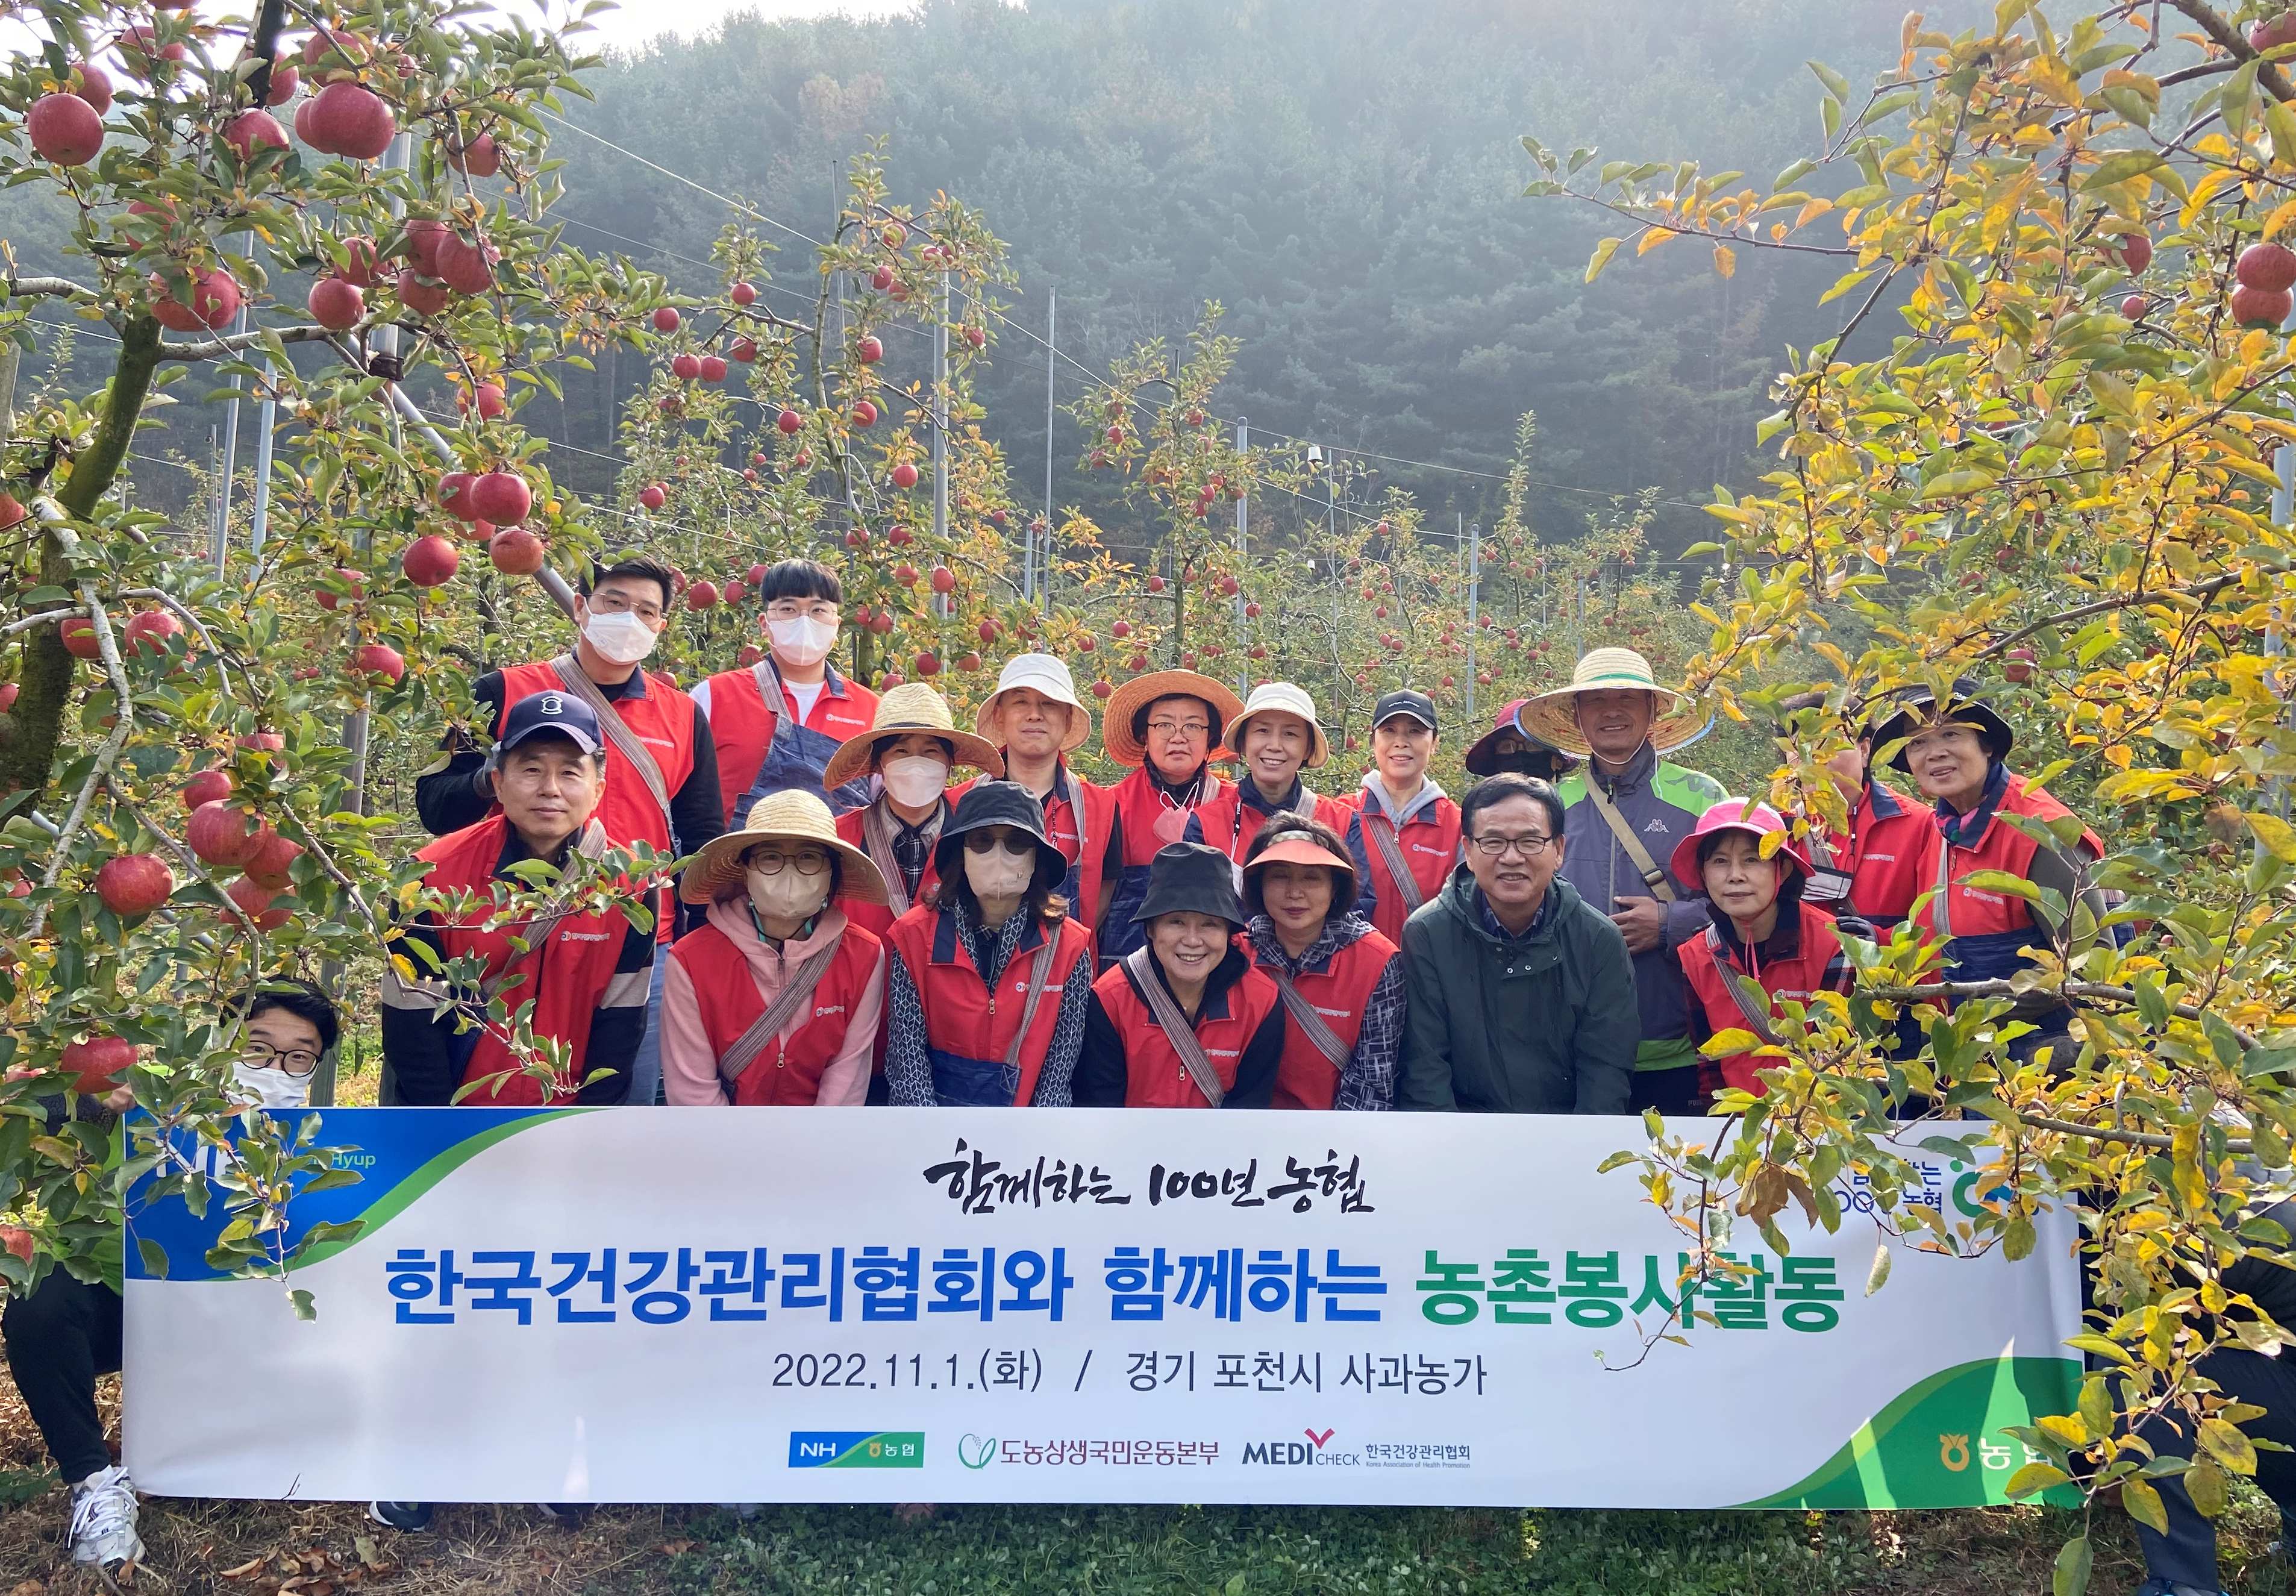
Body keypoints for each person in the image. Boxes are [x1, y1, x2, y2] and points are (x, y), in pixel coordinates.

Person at [5, 980, 337, 1573]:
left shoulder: (319, 1144)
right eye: (256, 1047)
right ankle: (93, 1484)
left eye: (297, 1056)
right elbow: (26, 1102)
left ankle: (244, 1441)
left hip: (234, 1321)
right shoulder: (152, 1103)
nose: (273, 1069)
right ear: (221, 1043)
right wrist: (96, 1103)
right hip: (122, 1302)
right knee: (41, 1307)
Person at [412, 554, 722, 1109]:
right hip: (499, 930)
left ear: (661, 627)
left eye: (646, 610)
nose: (629, 617)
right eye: (614, 603)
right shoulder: (503, 692)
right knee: (470, 1092)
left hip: (636, 941)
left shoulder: (682, 715)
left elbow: (701, 837)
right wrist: (501, 779)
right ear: (581, 607)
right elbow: (434, 803)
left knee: (610, 1105)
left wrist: (698, 942)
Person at [383, 692, 652, 1108]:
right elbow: (411, 1026)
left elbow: (620, 1027)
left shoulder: (627, 888)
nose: (550, 789)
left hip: (567, 1118)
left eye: (569, 772)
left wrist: (590, 1121)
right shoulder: (430, 875)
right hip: (453, 1116)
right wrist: (441, 1127)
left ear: (597, 789)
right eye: (531, 769)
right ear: (497, 783)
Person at [1521, 646, 1726, 1116]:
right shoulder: (1551, 805)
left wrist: (1670, 921)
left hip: (1683, 1043)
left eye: (1627, 698)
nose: (1611, 710)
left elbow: (1748, 902)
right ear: (1577, 715)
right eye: (1595, 700)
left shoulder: (1700, 797)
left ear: (1652, 708)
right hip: (1573, 1047)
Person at [1868, 678, 2106, 1064]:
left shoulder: (2042, 833)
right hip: (1979, 1050)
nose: (1934, 753)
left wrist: (1978, 1018)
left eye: (1951, 734)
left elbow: (2092, 965)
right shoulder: (1942, 828)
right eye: (1917, 742)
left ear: (1988, 744)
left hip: (2046, 1059)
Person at [1395, 773, 1638, 1114]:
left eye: (1529, 841)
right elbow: (1425, 1067)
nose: (1511, 858)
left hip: (1565, 1134)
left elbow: (1605, 1072)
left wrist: (1582, 1154)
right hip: (1464, 1134)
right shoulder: (1427, 934)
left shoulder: (1598, 939)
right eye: (1493, 842)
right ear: (1467, 849)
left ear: (1558, 850)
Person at [658, 789, 889, 1106]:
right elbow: (693, 1092)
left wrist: (815, 1150)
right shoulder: (690, 961)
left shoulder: (863, 955)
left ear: (831, 872)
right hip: (720, 1143)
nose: (789, 872)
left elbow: (846, 1080)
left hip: (821, 1145)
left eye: (809, 857)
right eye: (770, 857)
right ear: (745, 871)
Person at [882, 781, 1096, 1106]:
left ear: (1037, 857)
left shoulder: (1070, 947)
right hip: (937, 1133)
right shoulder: (912, 937)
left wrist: (1035, 1144)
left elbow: (1059, 1068)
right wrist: (926, 1141)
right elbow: (907, 1060)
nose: (999, 855)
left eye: (1017, 842)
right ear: (960, 854)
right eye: (982, 841)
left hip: (1029, 1132)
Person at [2124, 1197, 2296, 1596]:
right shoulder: (2249, 1174)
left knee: (2152, 1371)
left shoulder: (2204, 1228)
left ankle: (2185, 1583)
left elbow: (2174, 1329)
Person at [1671, 799, 1868, 1100]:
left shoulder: (1834, 946)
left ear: (1783, 869)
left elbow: (1841, 1063)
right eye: (1720, 861)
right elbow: (1708, 1064)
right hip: (1737, 1128)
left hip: (1819, 1126)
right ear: (1703, 873)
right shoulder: (1696, 956)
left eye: (1753, 860)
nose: (1735, 875)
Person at [1075, 840, 1285, 1108]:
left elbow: (1251, 1107)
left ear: (1229, 934)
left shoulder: (1261, 1002)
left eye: (1210, 924)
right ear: (1151, 929)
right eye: (1176, 922)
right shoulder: (1110, 998)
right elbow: (1101, 1105)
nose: (1193, 940)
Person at [691, 559, 880, 819]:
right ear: (764, 623)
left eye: (818, 610)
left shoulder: (871, 709)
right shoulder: (713, 697)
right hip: (734, 859)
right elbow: (685, 798)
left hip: (842, 859)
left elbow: (882, 807)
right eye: (789, 609)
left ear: (836, 625)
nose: (804, 621)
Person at [1240, 812, 1403, 1110]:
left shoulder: (1378, 961)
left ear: (1336, 887)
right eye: (1279, 876)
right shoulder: (1236, 953)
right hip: (1246, 1131)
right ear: (1258, 884)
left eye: (1312, 877)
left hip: (1333, 1139)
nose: (1294, 893)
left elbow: (1374, 1080)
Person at [820, 683, 1004, 940]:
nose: (916, 763)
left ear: (949, 764)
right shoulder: (837, 841)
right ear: (880, 764)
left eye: (931, 751)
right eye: (901, 751)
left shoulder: (977, 838)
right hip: (862, 980)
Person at [1181, 680, 1375, 921]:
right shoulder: (1205, 823)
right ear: (1243, 742)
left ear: (1307, 749)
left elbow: (1356, 910)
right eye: (1262, 731)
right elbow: (1193, 912)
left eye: (1290, 734)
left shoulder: (1342, 821)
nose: (1274, 746)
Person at [965, 654, 1122, 941]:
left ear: (1067, 718)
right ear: (999, 715)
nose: (1035, 714)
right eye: (1020, 701)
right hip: (974, 968)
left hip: (1067, 976)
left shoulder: (1100, 808)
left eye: (1049, 703)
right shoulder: (962, 802)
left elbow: (1103, 893)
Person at [1096, 669, 1245, 969]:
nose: (1178, 737)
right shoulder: (1110, 805)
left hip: (1217, 969)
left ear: (1210, 738)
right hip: (1128, 972)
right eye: (1164, 725)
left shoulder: (1237, 805)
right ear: (1144, 736)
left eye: (1193, 726)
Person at [1774, 690, 1936, 931]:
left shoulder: (1918, 825)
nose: (1815, 759)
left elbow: (1936, 924)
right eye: (1801, 747)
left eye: (1829, 743)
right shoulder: (1777, 830)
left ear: (1864, 751)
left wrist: (1880, 940)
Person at [1351, 689, 1461, 945]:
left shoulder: (1459, 825)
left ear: (1434, 743)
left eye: (1415, 731)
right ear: (1373, 741)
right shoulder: (1342, 815)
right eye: (1389, 730)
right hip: (1359, 977)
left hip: (1430, 976)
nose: (1401, 742)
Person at [1462, 698, 1578, 783]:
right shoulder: (1484, 814)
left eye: (1533, 745)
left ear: (1558, 761)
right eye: (1507, 747)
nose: (1520, 754)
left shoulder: (1581, 810)